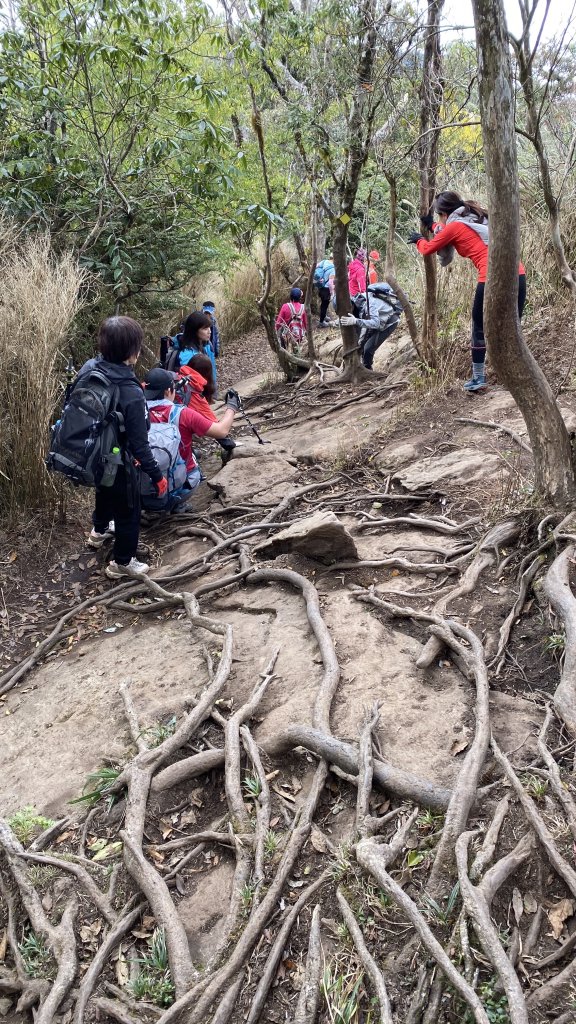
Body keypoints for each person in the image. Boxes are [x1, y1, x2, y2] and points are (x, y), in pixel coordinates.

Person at [408, 190, 526, 392]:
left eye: (439, 217)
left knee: (479, 327)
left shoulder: (453, 226)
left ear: (444, 214)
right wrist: (432, 225)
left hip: (491, 278)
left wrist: (419, 239)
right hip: (518, 273)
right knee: (513, 326)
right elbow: (448, 230)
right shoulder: (476, 217)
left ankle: (478, 378)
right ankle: (520, 375)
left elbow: (428, 248)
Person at [86, 316, 167, 578]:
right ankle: (122, 562)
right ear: (133, 351)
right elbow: (140, 445)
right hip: (120, 458)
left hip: (93, 451)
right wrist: (157, 475)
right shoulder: (131, 391)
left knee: (104, 488)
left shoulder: (89, 369)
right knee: (129, 508)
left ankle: (99, 531)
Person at [143, 367, 239, 495]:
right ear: (167, 391)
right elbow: (221, 431)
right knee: (192, 458)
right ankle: (177, 504)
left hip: (144, 486)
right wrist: (232, 406)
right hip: (179, 487)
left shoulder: (136, 412)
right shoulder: (183, 414)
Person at [339, 282, 403, 370]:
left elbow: (374, 323)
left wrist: (356, 321)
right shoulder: (358, 300)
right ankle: (362, 367)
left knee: (368, 348)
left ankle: (368, 369)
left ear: (352, 306)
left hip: (389, 322)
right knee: (362, 344)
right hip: (378, 319)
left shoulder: (370, 305)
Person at [165, 312, 217, 383]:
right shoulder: (186, 354)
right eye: (205, 329)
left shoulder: (207, 345)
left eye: (209, 327)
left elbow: (212, 372)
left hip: (209, 389)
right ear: (194, 330)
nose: (209, 331)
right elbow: (190, 383)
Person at [313, 256, 335, 327]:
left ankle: (324, 316)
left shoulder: (324, 261)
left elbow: (315, 266)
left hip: (320, 286)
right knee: (324, 305)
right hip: (326, 289)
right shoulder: (333, 269)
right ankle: (321, 322)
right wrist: (332, 293)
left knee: (323, 304)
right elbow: (330, 283)